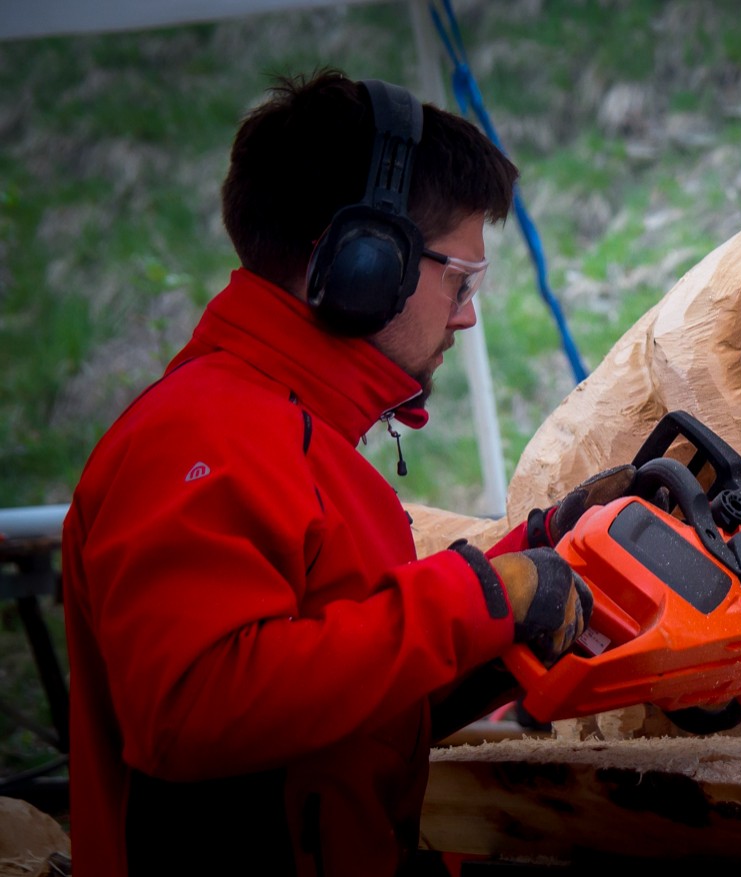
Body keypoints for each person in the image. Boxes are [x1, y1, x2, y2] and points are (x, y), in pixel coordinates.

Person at [60, 69, 627, 876]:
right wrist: (481, 597)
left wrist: (534, 562)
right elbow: (194, 707)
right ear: (365, 263)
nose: (466, 314)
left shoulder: (296, 433)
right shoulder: (204, 433)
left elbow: (346, 690)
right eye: (459, 280)